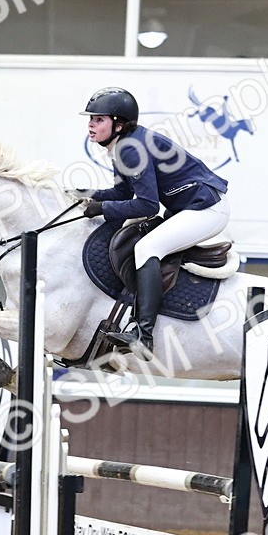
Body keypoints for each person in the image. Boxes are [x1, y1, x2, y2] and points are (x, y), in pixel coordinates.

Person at [73, 86, 230, 359]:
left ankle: (143, 335)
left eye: (98, 119)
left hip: (207, 210)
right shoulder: (123, 145)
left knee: (146, 248)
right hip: (188, 207)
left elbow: (147, 205)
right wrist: (84, 195)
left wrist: (102, 208)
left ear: (118, 124)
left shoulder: (131, 149)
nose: (90, 125)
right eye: (90, 119)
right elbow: (123, 194)